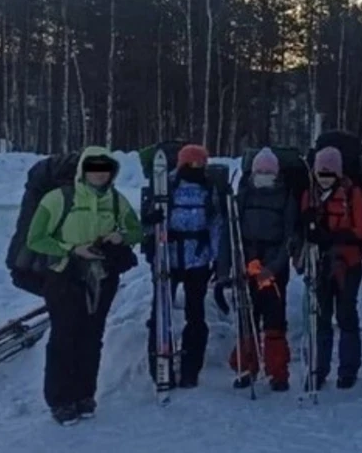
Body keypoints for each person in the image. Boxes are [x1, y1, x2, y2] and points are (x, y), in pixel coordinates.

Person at [25, 147, 142, 425]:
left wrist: (120, 237)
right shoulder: (58, 199)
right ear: (83, 170)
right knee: (65, 337)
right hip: (64, 277)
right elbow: (35, 239)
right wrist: (72, 249)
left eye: (105, 169)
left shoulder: (116, 201)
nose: (99, 174)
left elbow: (136, 231)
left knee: (92, 336)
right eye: (94, 168)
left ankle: (84, 395)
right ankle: (60, 400)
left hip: (101, 278)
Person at [141, 144, 225, 389]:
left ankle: (191, 367)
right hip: (168, 257)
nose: (196, 168)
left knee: (195, 313)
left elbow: (216, 223)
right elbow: (147, 223)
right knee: (160, 311)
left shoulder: (209, 189)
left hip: (197, 259)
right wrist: (151, 227)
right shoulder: (165, 186)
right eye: (191, 164)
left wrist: (218, 257)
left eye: (200, 164)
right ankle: (159, 364)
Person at [219, 147, 298, 392]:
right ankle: (246, 367)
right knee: (246, 317)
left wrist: (274, 268)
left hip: (273, 267)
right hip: (246, 262)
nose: (264, 174)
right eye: (259, 171)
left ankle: (278, 372)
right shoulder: (244, 196)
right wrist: (225, 269)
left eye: (268, 171)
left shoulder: (286, 197)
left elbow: (290, 238)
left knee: (274, 320)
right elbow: (229, 235)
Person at [298, 146, 362, 390]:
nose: (324, 178)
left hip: (348, 263)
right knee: (321, 317)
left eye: (329, 174)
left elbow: (361, 230)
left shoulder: (353, 193)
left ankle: (348, 369)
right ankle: (319, 367)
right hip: (320, 264)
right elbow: (303, 229)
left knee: (346, 314)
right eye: (321, 174)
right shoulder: (310, 195)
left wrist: (333, 236)